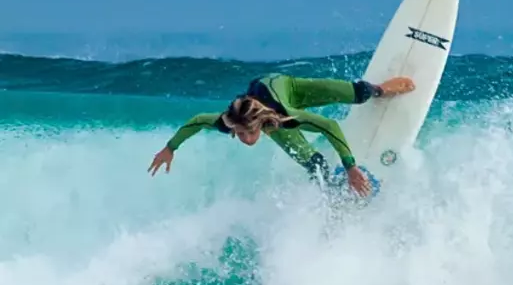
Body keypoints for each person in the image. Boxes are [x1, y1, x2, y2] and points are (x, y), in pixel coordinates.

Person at [148, 73, 415, 195]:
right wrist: (170, 148)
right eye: (238, 134)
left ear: (259, 125)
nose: (244, 139)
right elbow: (196, 122)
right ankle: (333, 202)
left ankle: (382, 88)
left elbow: (330, 126)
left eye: (246, 134)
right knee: (316, 165)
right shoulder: (229, 121)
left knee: (359, 94)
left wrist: (351, 167)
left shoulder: (286, 117)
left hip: (288, 89)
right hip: (263, 113)